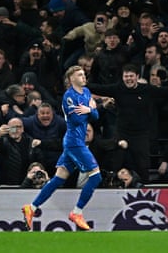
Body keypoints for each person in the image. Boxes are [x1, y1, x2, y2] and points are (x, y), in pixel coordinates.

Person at [22, 65, 101, 231]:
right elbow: (77, 120)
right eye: (80, 75)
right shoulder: (69, 96)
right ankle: (77, 212)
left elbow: (96, 116)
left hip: (75, 141)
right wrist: (90, 109)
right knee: (96, 177)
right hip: (74, 142)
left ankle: (32, 207)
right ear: (71, 79)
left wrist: (90, 110)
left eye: (84, 74)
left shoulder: (86, 92)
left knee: (58, 178)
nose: (83, 77)